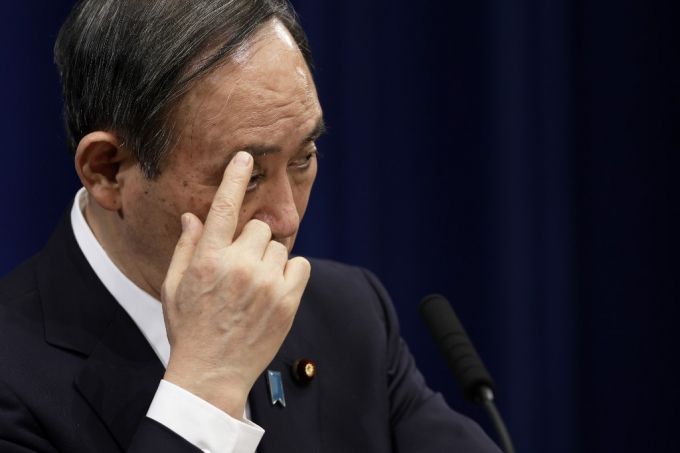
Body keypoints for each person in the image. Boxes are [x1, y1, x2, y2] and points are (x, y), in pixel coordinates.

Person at [0, 1, 499, 452]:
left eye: (303, 159)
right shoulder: (12, 379)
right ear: (107, 171)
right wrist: (206, 386)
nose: (287, 219)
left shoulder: (348, 316)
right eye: (247, 175)